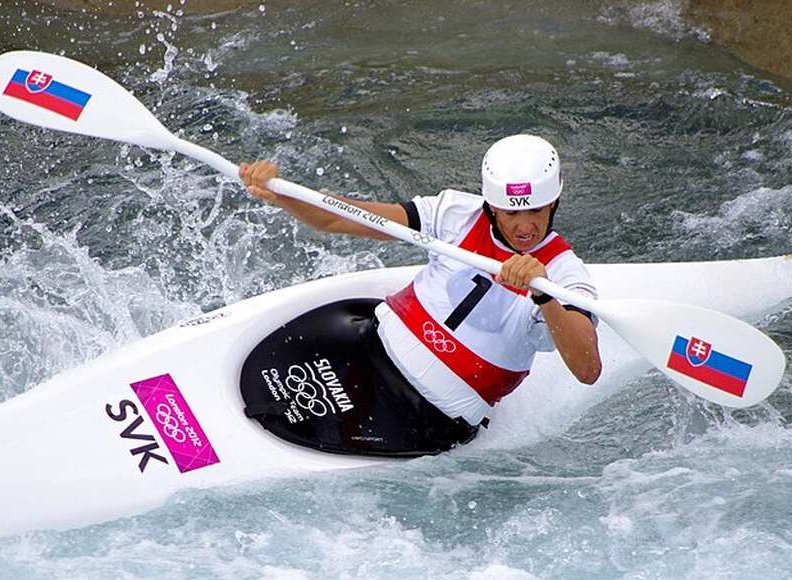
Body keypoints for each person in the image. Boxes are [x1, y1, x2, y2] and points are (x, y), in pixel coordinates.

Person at [239, 134, 601, 453]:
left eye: (536, 210)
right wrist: (281, 194)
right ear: (490, 204)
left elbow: (587, 369)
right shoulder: (455, 213)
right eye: (510, 213)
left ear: (554, 200)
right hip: (361, 348)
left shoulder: (564, 274)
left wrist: (544, 296)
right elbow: (338, 218)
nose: (525, 227)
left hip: (424, 419)